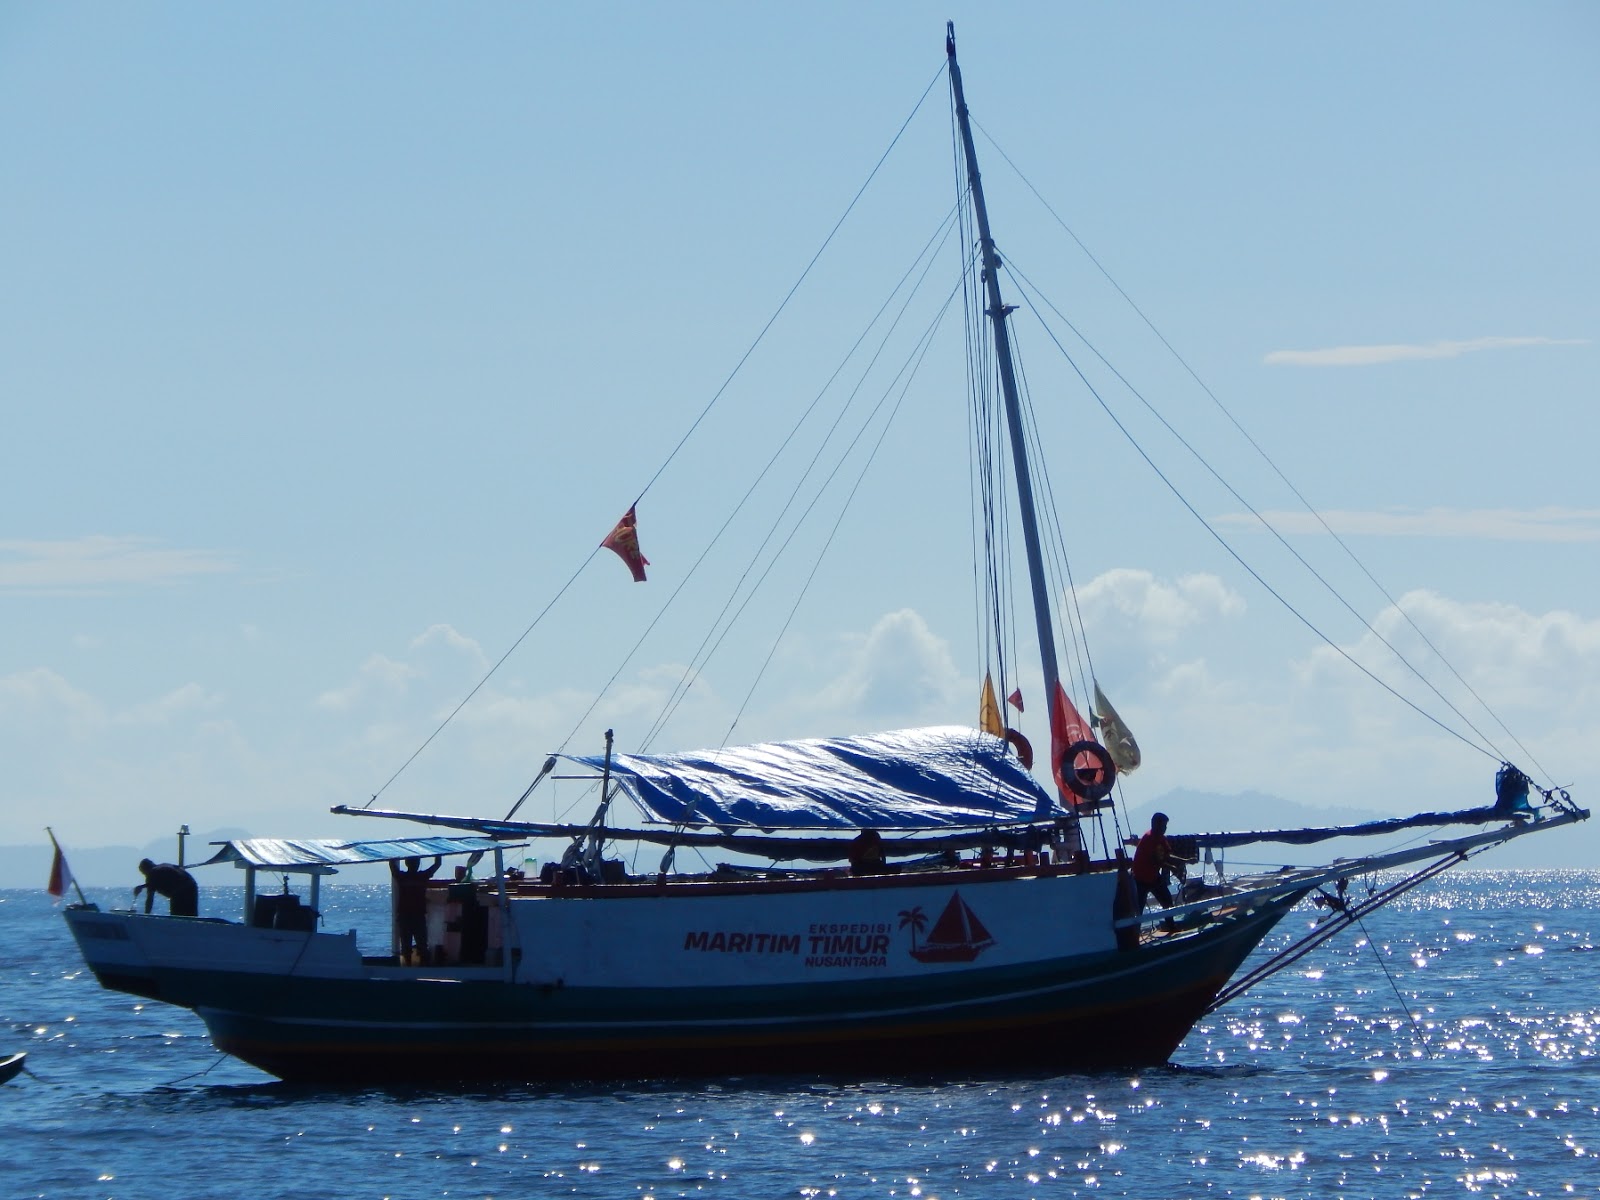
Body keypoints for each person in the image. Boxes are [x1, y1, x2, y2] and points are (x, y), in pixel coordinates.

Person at [390, 855, 441, 965]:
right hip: (411, 916)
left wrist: (392, 855)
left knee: (413, 945)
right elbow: (437, 864)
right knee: (416, 945)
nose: (416, 865)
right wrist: (437, 853)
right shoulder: (420, 876)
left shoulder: (403, 877)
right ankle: (418, 966)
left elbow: (392, 866)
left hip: (412, 916)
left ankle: (413, 966)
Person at [1131, 813, 1177, 913]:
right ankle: (1135, 928)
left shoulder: (1161, 838)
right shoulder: (1149, 838)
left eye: (1165, 826)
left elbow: (1168, 855)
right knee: (1139, 908)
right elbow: (1155, 860)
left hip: (1153, 877)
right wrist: (1172, 867)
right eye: (1163, 825)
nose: (1165, 828)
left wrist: (1185, 860)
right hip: (1141, 879)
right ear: (1155, 824)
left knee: (1167, 901)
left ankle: (1171, 927)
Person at [133, 858, 198, 916]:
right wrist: (141, 887)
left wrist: (146, 916)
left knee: (177, 918)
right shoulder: (163, 866)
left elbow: (149, 899)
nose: (145, 876)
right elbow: (155, 882)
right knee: (191, 916)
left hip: (179, 891)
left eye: (143, 873)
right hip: (192, 887)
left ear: (146, 869)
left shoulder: (152, 873)